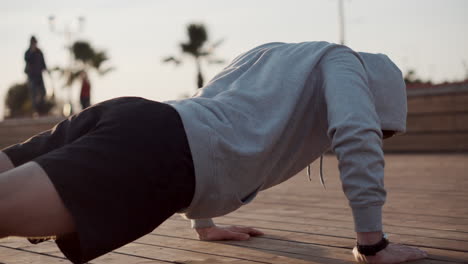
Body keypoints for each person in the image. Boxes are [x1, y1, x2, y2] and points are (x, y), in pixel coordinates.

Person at [0, 41, 428, 264]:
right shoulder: (344, 62)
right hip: (155, 150)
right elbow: (355, 131)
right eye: (384, 125)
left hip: (135, 116)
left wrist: (203, 219)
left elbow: (210, 110)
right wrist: (372, 244)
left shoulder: (276, 54)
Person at [24, 36, 48, 114]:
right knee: (33, 93)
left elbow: (43, 62)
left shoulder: (39, 52)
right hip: (31, 76)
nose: (34, 44)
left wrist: (45, 69)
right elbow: (26, 60)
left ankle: (41, 109)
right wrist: (32, 51)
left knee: (43, 92)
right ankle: (35, 110)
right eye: (33, 43)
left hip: (39, 75)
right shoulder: (28, 52)